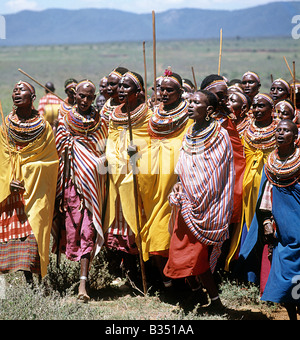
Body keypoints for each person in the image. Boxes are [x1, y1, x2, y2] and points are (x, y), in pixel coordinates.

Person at [164, 90, 235, 309]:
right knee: (179, 253)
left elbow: (216, 173)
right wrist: (179, 184)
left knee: (196, 256)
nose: (190, 105)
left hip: (207, 204)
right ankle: (197, 293)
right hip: (186, 202)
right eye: (190, 101)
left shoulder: (220, 135)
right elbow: (184, 164)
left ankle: (214, 301)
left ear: (210, 110)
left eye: (197, 102)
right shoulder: (190, 131)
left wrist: (196, 195)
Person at [239, 120, 300, 320]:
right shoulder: (271, 164)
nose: (280, 133)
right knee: (286, 274)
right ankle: (292, 315)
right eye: (278, 130)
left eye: (286, 131)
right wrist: (266, 223)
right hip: (283, 232)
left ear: (295, 137)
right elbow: (265, 197)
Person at [53, 80, 108, 302]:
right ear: (75, 95)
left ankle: (83, 283)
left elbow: (104, 149)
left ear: (94, 98)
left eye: (89, 97)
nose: (85, 101)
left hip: (93, 185)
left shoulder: (100, 120)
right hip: (70, 183)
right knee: (72, 228)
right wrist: (70, 143)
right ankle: (64, 279)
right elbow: (58, 147)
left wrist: (96, 163)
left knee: (89, 229)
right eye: (81, 96)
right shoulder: (65, 119)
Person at [0, 81, 59, 283]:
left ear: (33, 98)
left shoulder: (43, 128)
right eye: (14, 90)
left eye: (22, 90)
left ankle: (39, 282)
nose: (16, 92)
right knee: (20, 236)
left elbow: (51, 162)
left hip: (36, 189)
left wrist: (27, 172)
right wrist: (9, 179)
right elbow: (3, 157)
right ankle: (26, 284)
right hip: (12, 190)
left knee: (36, 231)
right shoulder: (6, 126)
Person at [143, 68, 191, 288]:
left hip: (178, 181)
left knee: (175, 225)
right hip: (153, 179)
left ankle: (185, 279)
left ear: (180, 92)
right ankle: (164, 277)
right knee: (154, 224)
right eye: (161, 89)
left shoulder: (189, 117)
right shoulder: (153, 114)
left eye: (169, 90)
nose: (163, 93)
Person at [103, 71, 152, 287]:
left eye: (127, 86)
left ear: (138, 91)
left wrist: (137, 153)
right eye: (120, 86)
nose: (121, 89)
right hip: (117, 173)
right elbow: (111, 140)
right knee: (121, 225)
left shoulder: (148, 113)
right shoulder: (115, 113)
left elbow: (152, 140)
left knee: (140, 222)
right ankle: (127, 274)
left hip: (140, 174)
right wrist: (117, 159)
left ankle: (149, 278)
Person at [227, 93, 278, 271]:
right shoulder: (246, 129)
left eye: (261, 106)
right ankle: (247, 269)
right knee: (247, 223)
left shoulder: (279, 129)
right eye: (254, 106)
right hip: (247, 186)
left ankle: (266, 270)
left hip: (271, 187)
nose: (257, 110)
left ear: (272, 109)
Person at [201, 75, 246, 271]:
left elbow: (236, 154)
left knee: (224, 228)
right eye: (220, 95)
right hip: (207, 183)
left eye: (226, 95)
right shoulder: (199, 122)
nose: (225, 99)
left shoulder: (227, 120)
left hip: (230, 182)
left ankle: (216, 271)